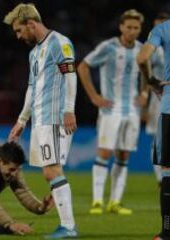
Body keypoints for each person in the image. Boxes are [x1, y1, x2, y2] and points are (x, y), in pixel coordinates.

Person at [4, 3, 78, 239]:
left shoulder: (60, 42)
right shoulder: (34, 53)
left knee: (52, 170)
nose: (18, 36)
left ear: (30, 23)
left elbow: (71, 75)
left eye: (18, 30)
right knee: (50, 171)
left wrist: (69, 110)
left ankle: (68, 227)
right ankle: (67, 226)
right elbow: (32, 87)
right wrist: (22, 120)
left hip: (55, 117)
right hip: (40, 119)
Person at [77, 9, 147, 215]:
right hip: (111, 109)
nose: (132, 31)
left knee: (124, 155)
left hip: (132, 111)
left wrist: (144, 93)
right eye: (129, 27)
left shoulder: (143, 49)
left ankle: (115, 202)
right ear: (121, 27)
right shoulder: (108, 47)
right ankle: (97, 201)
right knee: (105, 152)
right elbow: (83, 67)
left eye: (136, 28)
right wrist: (94, 96)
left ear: (140, 28)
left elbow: (146, 72)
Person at [137, 15, 170, 240]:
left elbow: (142, 58)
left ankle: (167, 233)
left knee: (168, 171)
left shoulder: (163, 29)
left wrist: (150, 80)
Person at [145, 12, 170, 187]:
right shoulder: (152, 51)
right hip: (158, 98)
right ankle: (161, 179)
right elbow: (144, 70)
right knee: (158, 139)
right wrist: (145, 95)